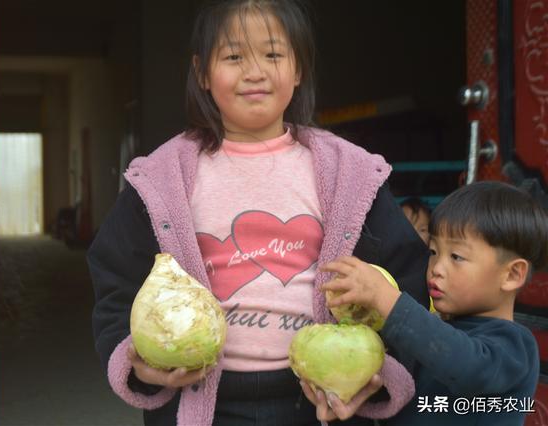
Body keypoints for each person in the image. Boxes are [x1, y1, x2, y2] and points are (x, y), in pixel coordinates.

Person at [87, 1, 430, 425]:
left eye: (272, 55)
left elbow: (405, 281)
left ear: (298, 69)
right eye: (233, 57)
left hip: (321, 400)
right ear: (202, 73)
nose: (255, 72)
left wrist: (381, 371)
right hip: (202, 404)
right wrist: (135, 361)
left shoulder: (350, 173)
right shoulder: (162, 179)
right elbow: (117, 282)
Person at [321, 181, 547, 425]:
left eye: (457, 257)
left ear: (512, 275)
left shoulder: (515, 347)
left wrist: (386, 299)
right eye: (433, 252)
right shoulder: (430, 333)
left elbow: (465, 366)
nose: (437, 269)